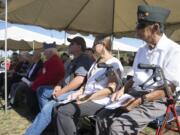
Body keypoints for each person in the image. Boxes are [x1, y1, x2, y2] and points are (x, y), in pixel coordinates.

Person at [96, 5, 180, 135]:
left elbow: (169, 89)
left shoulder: (174, 50)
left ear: (155, 28)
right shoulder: (142, 50)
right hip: (136, 93)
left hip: (158, 99)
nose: (136, 28)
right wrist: (122, 90)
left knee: (118, 128)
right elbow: (134, 77)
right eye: (137, 24)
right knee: (102, 117)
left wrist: (139, 101)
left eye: (141, 25)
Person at [55, 35, 124, 135]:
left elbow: (111, 89)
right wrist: (80, 91)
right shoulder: (97, 61)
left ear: (103, 45)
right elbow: (89, 82)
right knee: (57, 107)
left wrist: (88, 97)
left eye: (95, 44)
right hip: (88, 97)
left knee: (64, 111)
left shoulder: (113, 63)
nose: (92, 47)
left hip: (100, 100)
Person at [24, 36, 93, 135]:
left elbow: (79, 80)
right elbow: (64, 77)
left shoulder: (84, 58)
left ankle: (37, 128)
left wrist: (62, 91)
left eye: (71, 44)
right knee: (42, 91)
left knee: (48, 107)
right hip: (66, 88)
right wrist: (58, 85)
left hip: (76, 91)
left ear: (79, 46)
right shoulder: (73, 60)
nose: (68, 46)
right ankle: (50, 121)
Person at [25, 42, 65, 114]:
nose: (44, 54)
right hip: (54, 84)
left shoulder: (51, 62)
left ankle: (43, 114)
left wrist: (34, 84)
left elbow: (46, 78)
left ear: (50, 52)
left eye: (45, 52)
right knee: (32, 89)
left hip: (53, 86)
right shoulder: (55, 60)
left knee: (35, 90)